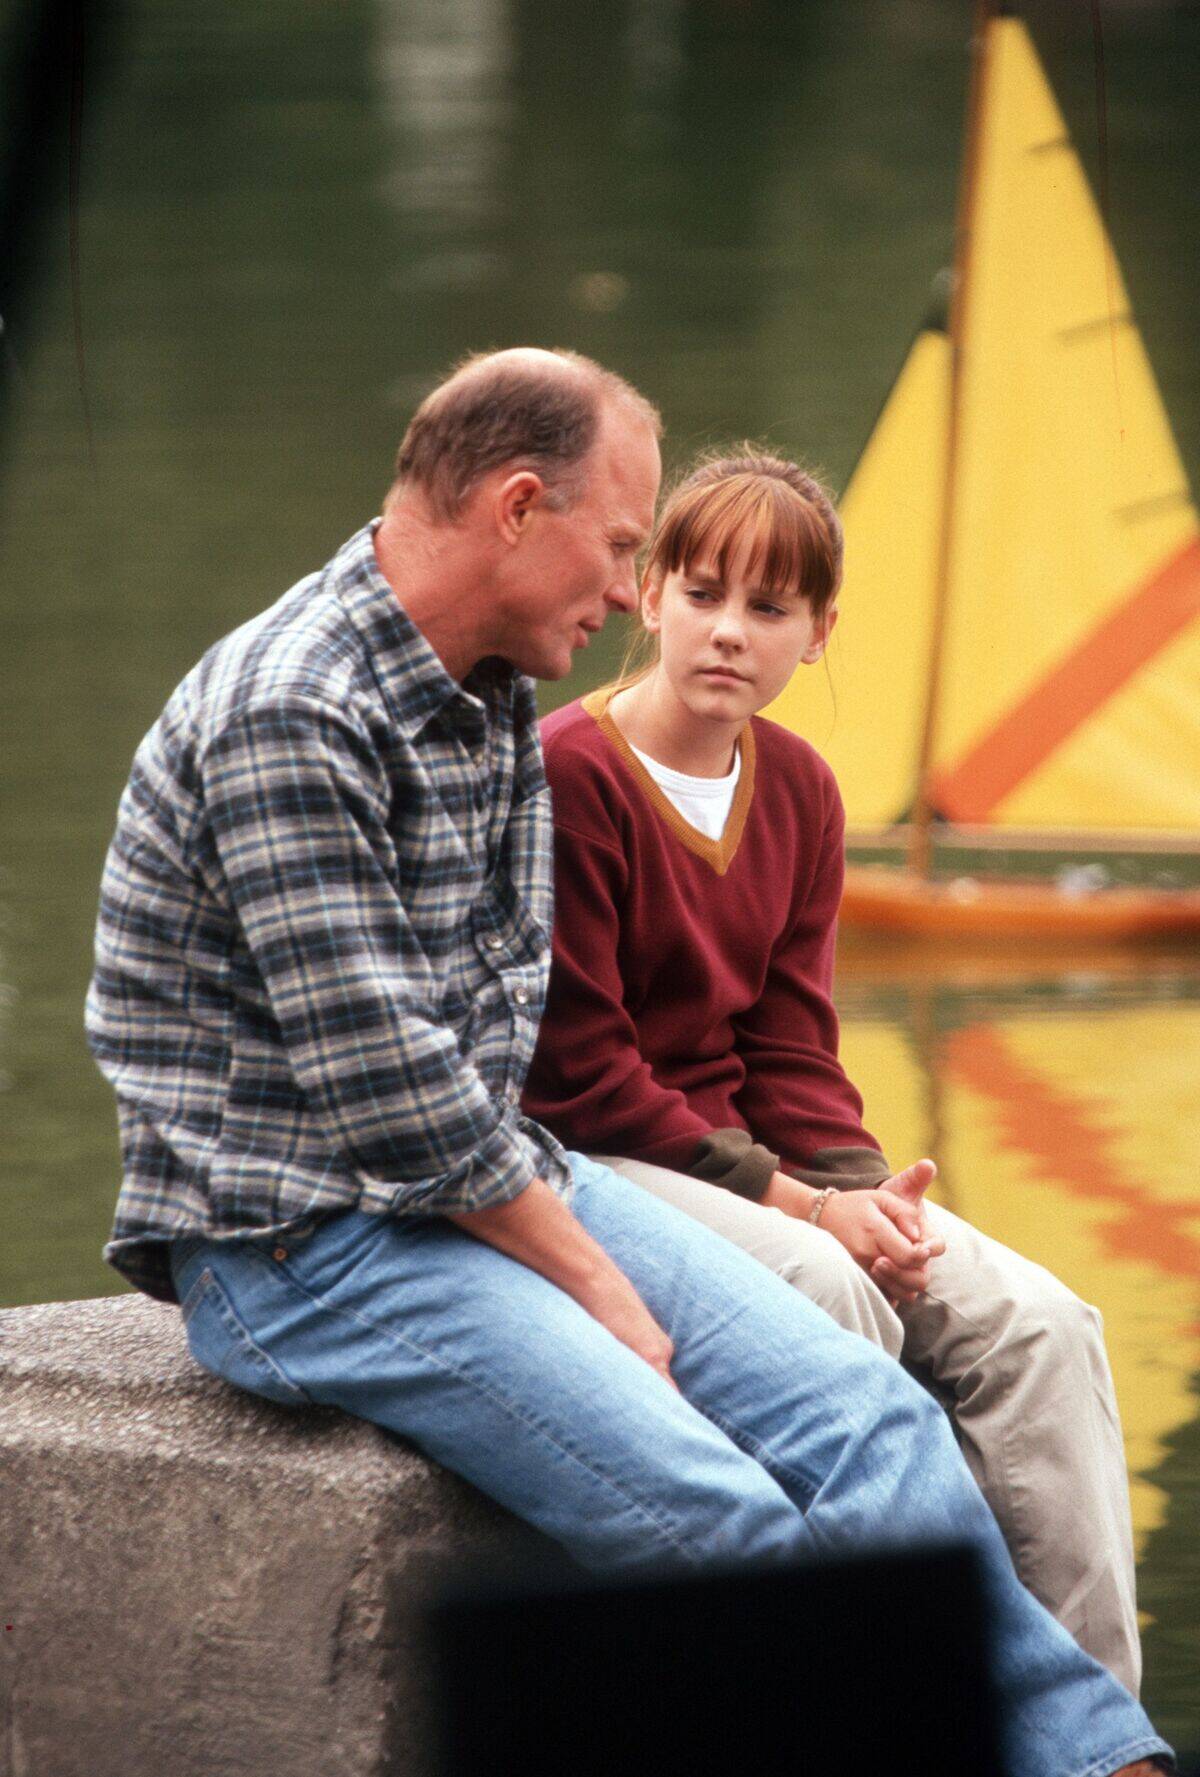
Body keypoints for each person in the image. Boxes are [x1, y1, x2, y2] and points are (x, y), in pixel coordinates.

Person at [87, 355, 1170, 1775]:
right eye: (621, 550)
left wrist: (666, 1223)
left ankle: (1101, 1760)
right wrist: (600, 1279)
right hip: (300, 1243)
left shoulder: (479, 701)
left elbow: (496, 1046)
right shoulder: (296, 711)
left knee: (869, 1419)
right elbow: (399, 1100)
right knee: (725, 1516)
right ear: (519, 507)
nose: (624, 598)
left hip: (483, 1187)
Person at [523, 448, 1147, 1699]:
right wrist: (813, 1212)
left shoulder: (802, 788)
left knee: (1043, 1324)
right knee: (831, 1292)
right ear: (647, 595)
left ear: (818, 633)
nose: (728, 633)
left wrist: (878, 1198)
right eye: (703, 594)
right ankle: (921, 1704)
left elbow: (794, 1047)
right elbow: (581, 1074)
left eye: (770, 608)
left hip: (769, 1167)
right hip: (609, 1158)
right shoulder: (566, 776)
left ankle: (1093, 1727)